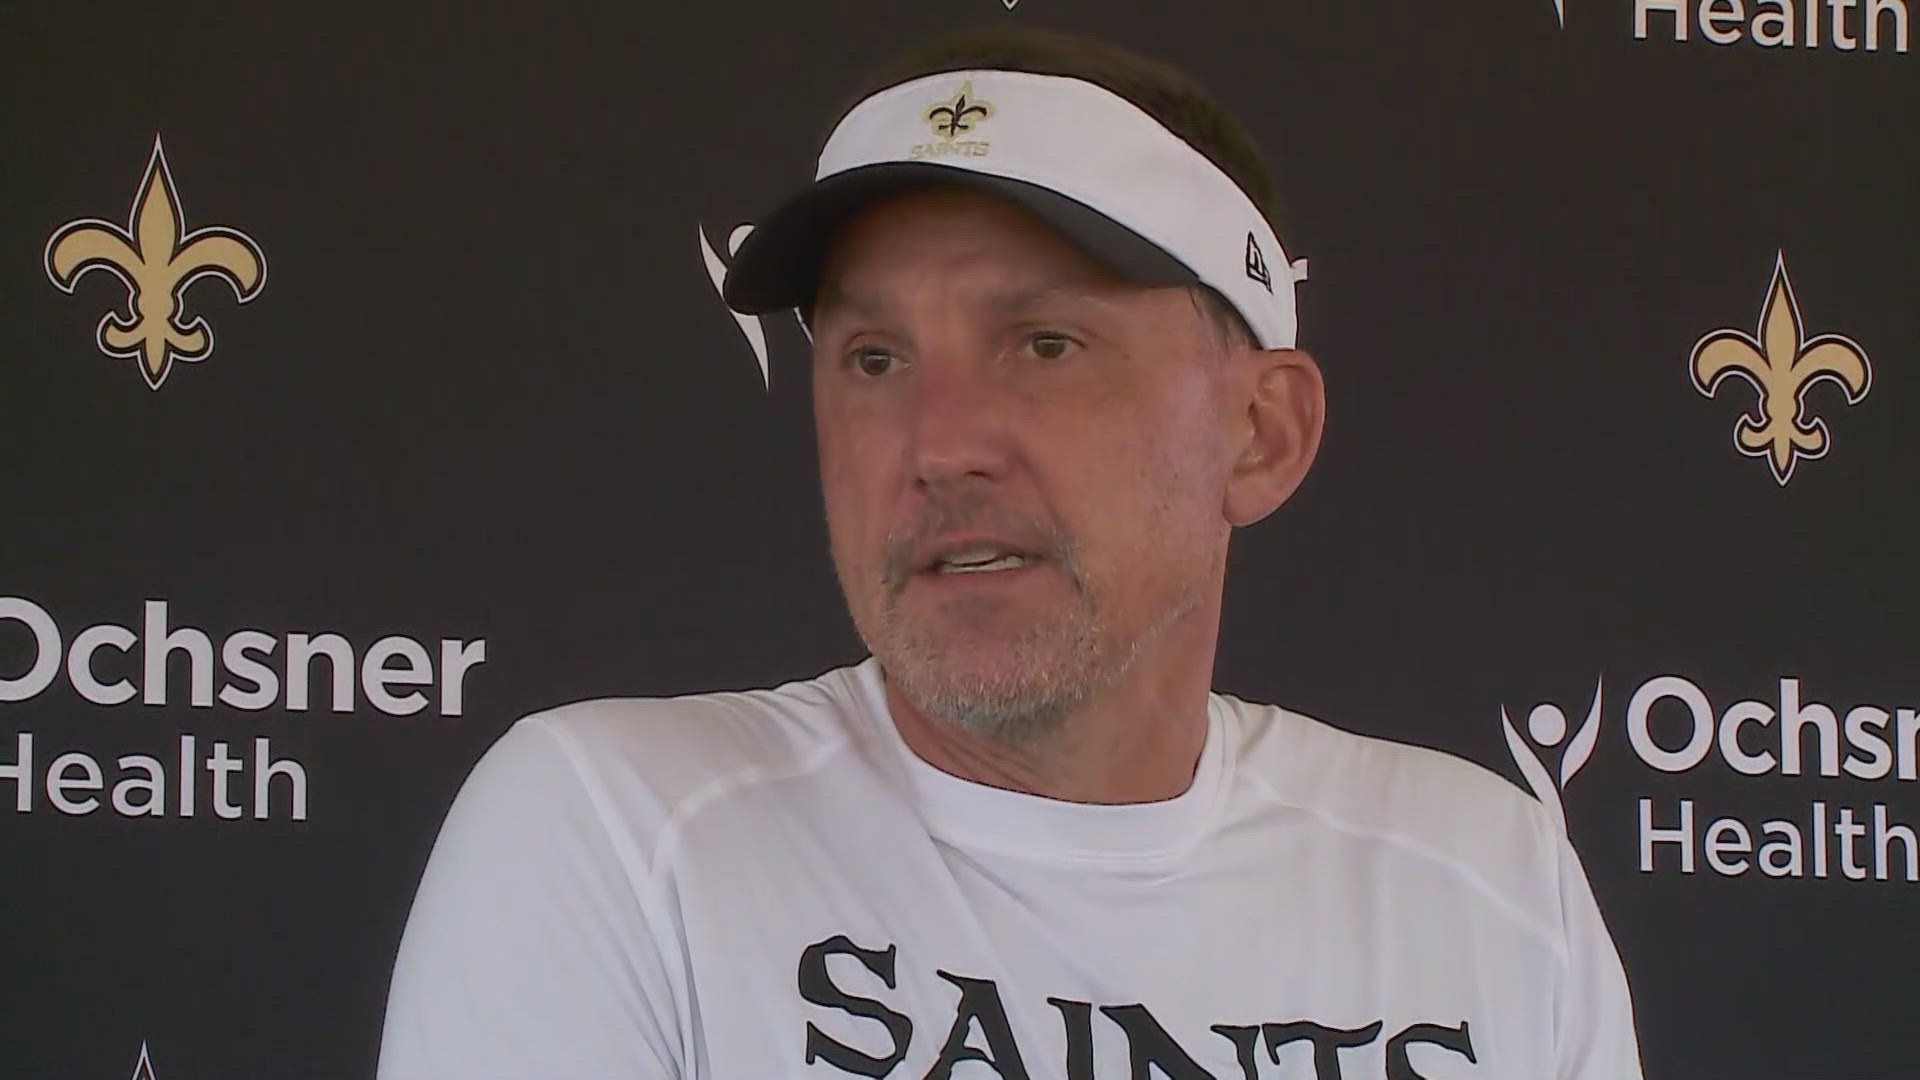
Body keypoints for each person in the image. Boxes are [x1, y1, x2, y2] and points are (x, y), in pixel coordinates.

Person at [379, 27, 1642, 1080]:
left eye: (1044, 344)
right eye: (874, 360)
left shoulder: (1487, 886)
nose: (938, 445)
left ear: (1260, 435)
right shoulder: (621, 837)